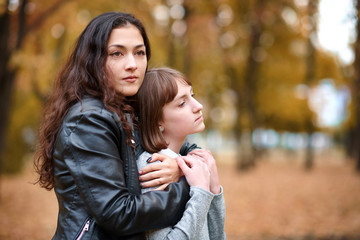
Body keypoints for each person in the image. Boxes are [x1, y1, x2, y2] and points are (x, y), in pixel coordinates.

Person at [33, 12, 201, 240]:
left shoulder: (125, 108)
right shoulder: (89, 120)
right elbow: (118, 213)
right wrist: (191, 188)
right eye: (116, 53)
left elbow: (177, 144)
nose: (132, 64)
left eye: (139, 53)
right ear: (93, 60)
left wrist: (180, 166)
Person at [137, 67, 226, 240]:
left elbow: (216, 236)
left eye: (192, 96)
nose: (198, 106)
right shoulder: (155, 167)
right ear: (157, 122)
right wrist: (200, 192)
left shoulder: (183, 162)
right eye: (182, 103)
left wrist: (214, 190)